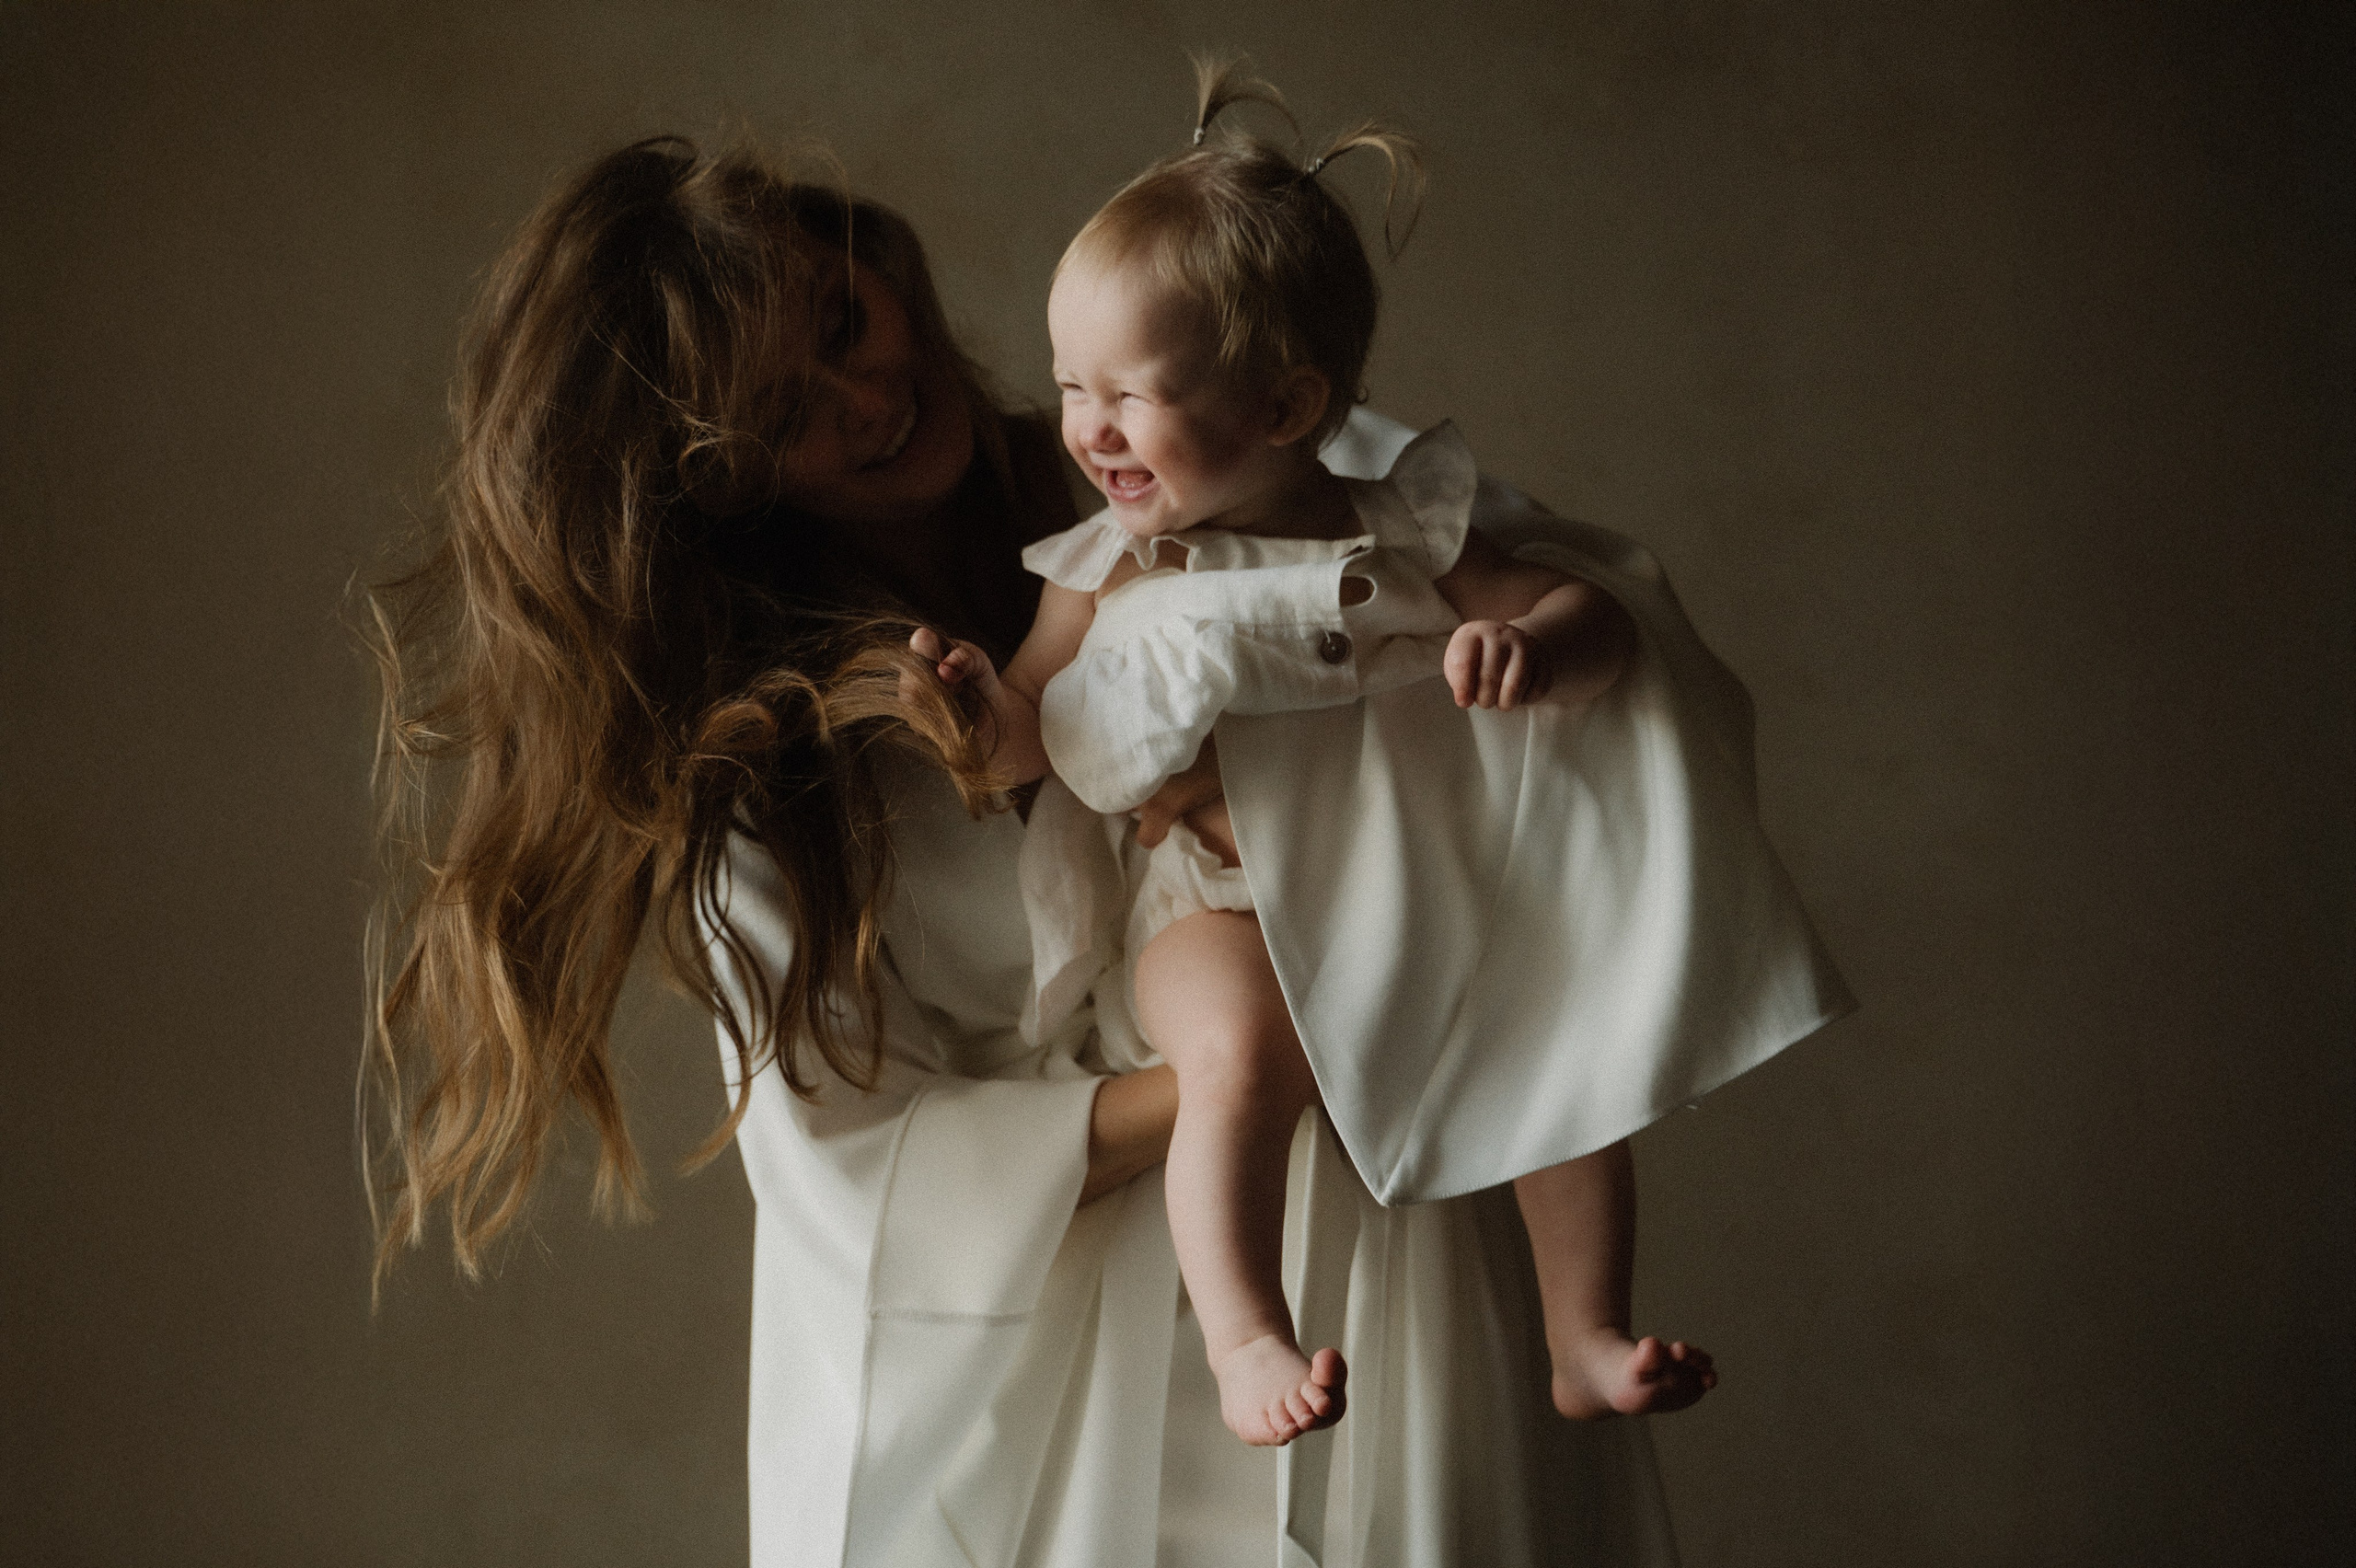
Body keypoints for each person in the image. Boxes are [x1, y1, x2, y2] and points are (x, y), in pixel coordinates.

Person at [366, 129, 1840, 1568]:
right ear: (714, 479)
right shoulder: (761, 768)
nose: (870, 392)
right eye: (782, 413)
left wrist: (1352, 786)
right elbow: (854, 1169)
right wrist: (1258, 1055)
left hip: (1409, 1261)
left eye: (839, 317)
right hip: (1085, 1376)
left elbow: (1588, 668)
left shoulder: (1234, 446)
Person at [907, 61, 1733, 1448]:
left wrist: (1533, 651)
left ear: (1284, 410)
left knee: (1552, 1047)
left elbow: (1591, 617)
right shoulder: (1105, 568)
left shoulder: (1395, 531)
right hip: (1208, 906)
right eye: (1070, 387)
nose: (1089, 429)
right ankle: (1245, 1336)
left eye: (1131, 394)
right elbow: (1032, 742)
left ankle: (1582, 1329)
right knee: (1237, 1053)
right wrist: (974, 710)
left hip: (1405, 894)